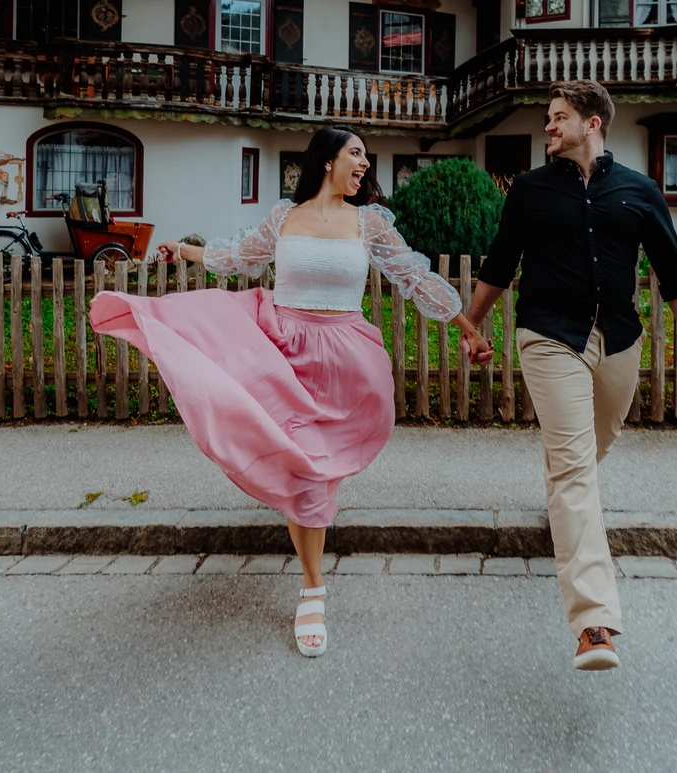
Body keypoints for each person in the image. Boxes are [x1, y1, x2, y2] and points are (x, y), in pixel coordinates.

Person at [90, 124, 490, 658]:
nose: (365, 163)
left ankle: (312, 568)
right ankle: (313, 589)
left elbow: (413, 275)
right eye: (357, 153)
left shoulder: (369, 223)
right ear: (328, 160)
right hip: (283, 353)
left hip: (346, 361)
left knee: (319, 477)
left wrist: (468, 328)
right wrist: (185, 250)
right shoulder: (284, 216)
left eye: (367, 157)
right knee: (306, 478)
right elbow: (238, 256)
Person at [460, 79, 677, 672]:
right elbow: (500, 260)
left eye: (558, 116)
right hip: (548, 335)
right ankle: (594, 622)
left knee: (591, 449)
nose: (548, 126)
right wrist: (473, 323)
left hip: (618, 337)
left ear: (592, 123)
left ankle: (564, 509)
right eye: (548, 117)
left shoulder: (639, 191)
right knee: (574, 469)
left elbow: (675, 276)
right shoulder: (530, 189)